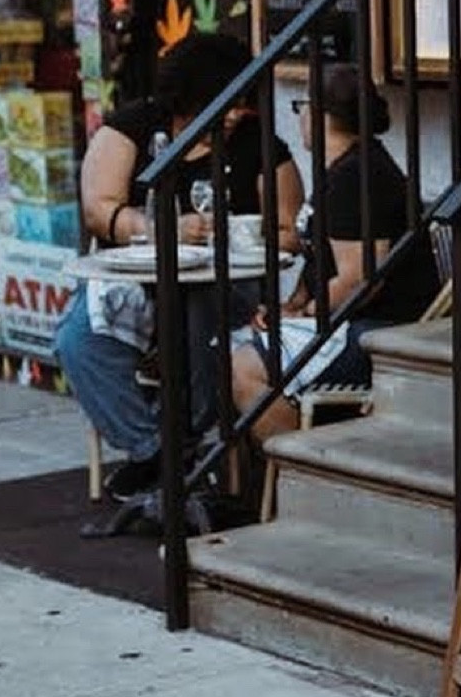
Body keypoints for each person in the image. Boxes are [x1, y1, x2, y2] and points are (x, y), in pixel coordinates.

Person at [54, 32, 302, 500]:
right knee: (78, 340)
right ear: (190, 96)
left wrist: (254, 233)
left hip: (224, 281)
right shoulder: (135, 127)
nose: (234, 114)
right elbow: (97, 208)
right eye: (223, 102)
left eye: (241, 103)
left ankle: (187, 445)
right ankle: (156, 451)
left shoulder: (257, 142)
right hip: (135, 279)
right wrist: (159, 228)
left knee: (200, 322)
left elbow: (289, 228)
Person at [232, 65, 442, 444]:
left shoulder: (358, 177)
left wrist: (307, 312)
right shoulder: (342, 171)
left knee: (245, 366)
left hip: (378, 327)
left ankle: (303, 466)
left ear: (319, 114)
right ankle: (238, 483)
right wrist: (292, 304)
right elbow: (319, 261)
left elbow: (359, 279)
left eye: (302, 107)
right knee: (227, 343)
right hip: (346, 321)